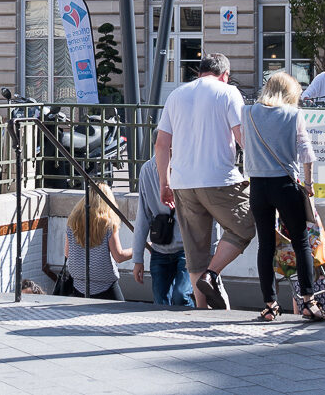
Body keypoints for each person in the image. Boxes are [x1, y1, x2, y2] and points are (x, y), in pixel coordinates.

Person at [155, 52, 256, 310]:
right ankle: (211, 275)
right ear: (225, 75)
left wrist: (164, 183)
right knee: (245, 225)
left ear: (199, 72)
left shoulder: (176, 95)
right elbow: (242, 138)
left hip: (182, 182)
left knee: (195, 250)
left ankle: (202, 309)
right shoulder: (228, 92)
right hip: (219, 178)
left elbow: (162, 144)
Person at [243, 71, 325, 321]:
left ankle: (269, 305)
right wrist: (309, 184)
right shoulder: (293, 114)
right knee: (301, 243)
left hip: (258, 186)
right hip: (285, 185)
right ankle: (308, 303)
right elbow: (307, 154)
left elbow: (244, 145)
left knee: (265, 245)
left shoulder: (248, 112)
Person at [132, 155, 194, 307]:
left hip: (186, 248)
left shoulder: (185, 164)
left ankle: (187, 322)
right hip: (160, 248)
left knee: (181, 296)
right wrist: (137, 259)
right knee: (160, 302)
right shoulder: (147, 170)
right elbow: (143, 216)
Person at [64, 182, 132, 301]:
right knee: (120, 316)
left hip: (79, 285)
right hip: (106, 286)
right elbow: (119, 256)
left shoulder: (72, 222)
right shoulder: (108, 224)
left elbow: (67, 253)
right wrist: (141, 248)